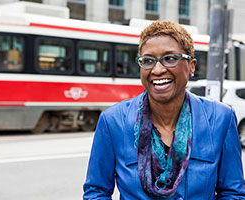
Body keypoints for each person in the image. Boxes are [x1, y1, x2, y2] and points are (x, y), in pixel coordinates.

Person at [83, 21, 245, 199]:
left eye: (170, 58)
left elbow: (232, 192)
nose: (157, 69)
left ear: (191, 66)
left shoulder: (220, 119)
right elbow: (96, 192)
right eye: (148, 61)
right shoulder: (113, 121)